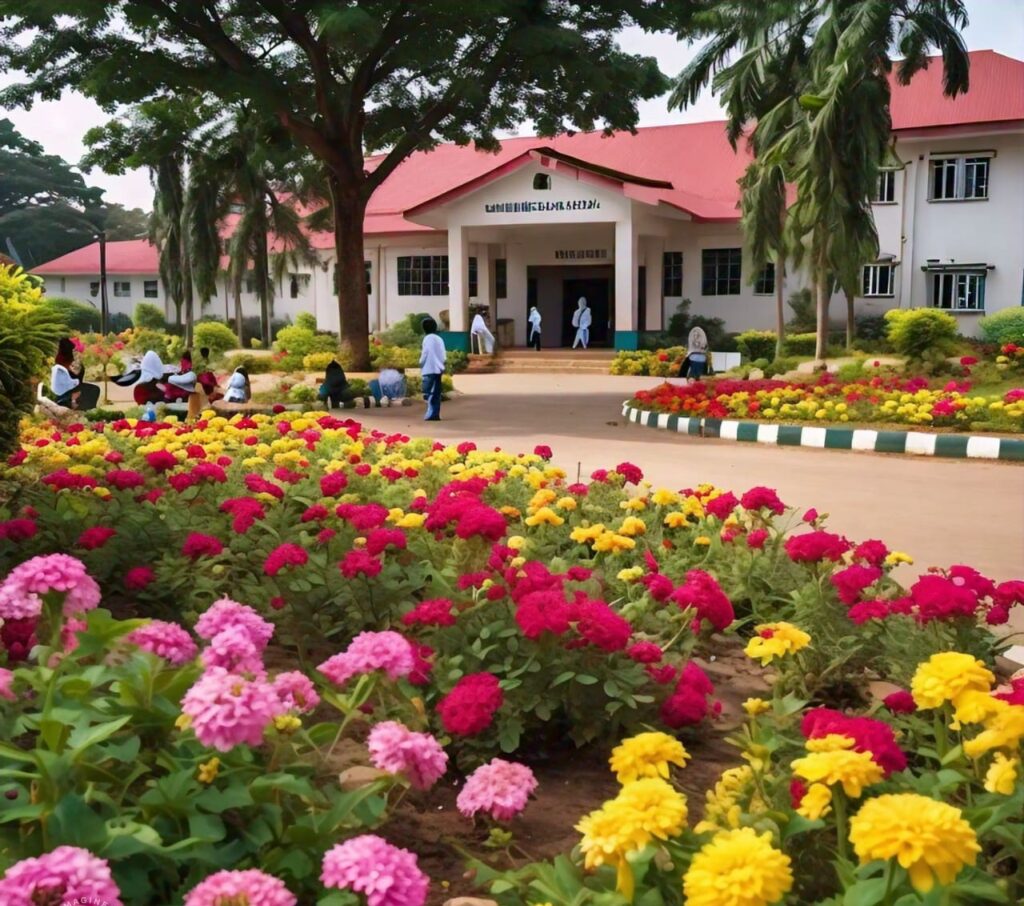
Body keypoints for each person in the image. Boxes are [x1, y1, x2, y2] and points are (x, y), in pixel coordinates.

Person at [50, 338, 100, 410]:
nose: (75, 352)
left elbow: (79, 376)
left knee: (94, 389)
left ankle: (85, 409)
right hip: (66, 394)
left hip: (75, 389)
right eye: (73, 350)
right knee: (91, 391)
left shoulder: (71, 362)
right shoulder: (61, 366)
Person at [419, 316, 446, 421]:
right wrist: (442, 364)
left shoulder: (427, 338)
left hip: (428, 369)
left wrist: (420, 362)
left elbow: (425, 353)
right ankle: (435, 413)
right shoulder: (439, 339)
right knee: (436, 393)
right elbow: (443, 354)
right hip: (438, 369)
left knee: (428, 392)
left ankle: (430, 414)